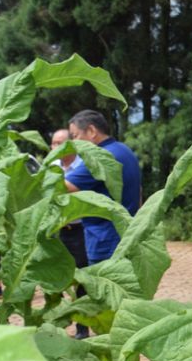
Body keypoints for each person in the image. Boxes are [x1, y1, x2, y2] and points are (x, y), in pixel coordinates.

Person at [64, 110, 142, 337]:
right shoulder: (125, 151)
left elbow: (64, 187)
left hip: (103, 240)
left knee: (105, 308)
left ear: (91, 131)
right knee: (123, 304)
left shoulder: (99, 157)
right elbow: (138, 193)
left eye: (76, 136)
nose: (74, 143)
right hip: (126, 235)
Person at [51, 128, 89, 325]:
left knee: (82, 278)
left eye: (59, 143)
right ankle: (58, 322)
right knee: (57, 278)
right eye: (53, 143)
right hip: (57, 231)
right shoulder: (50, 167)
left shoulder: (83, 167)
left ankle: (83, 325)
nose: (55, 147)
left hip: (80, 229)